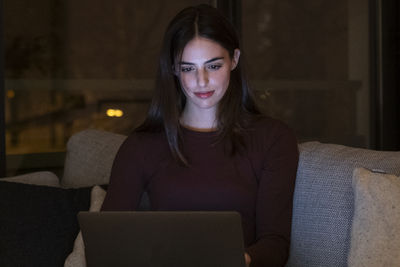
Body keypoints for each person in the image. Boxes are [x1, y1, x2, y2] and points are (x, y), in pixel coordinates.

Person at [101, 4, 299, 267]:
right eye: (188, 68)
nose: (201, 81)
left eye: (213, 66)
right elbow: (107, 242)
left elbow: (275, 245)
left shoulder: (272, 139)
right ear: (173, 68)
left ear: (234, 60)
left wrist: (235, 260)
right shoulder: (140, 147)